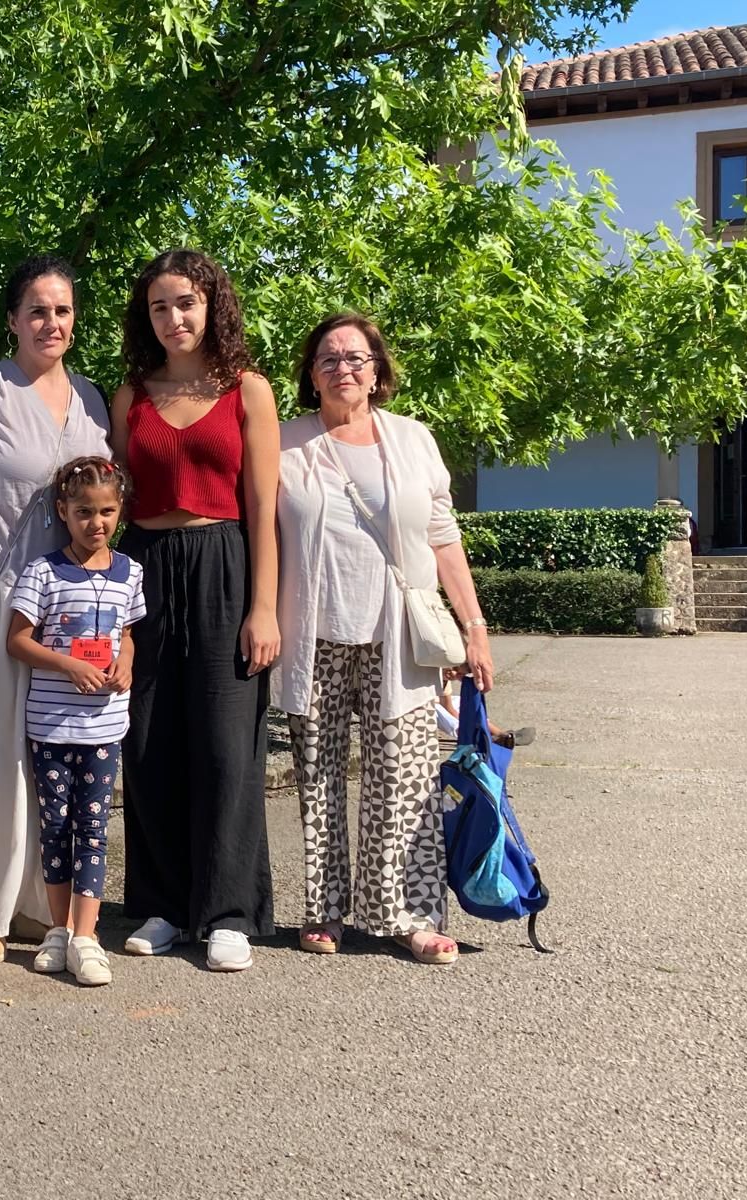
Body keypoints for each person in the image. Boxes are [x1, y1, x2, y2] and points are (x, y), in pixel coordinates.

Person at [275, 311, 493, 966]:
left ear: (377, 371)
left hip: (400, 634)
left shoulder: (414, 440)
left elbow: (443, 538)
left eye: (357, 357)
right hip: (311, 628)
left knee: (405, 775)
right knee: (318, 775)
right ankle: (324, 909)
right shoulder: (284, 443)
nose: (344, 367)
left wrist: (474, 627)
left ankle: (407, 913)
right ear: (311, 376)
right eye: (329, 358)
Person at [109, 249, 281, 973]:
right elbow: (113, 510)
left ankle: (227, 910)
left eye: (185, 302)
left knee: (223, 746)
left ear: (212, 305)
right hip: (146, 566)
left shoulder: (249, 391)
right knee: (146, 741)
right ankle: (163, 904)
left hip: (224, 565)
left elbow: (264, 510)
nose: (173, 317)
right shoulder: (130, 396)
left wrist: (263, 607)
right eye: (159, 306)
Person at [0, 256, 113, 965]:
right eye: (39, 310)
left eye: (64, 311)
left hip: (70, 602)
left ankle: (32, 906)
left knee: (54, 750)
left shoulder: (93, 399)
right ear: (14, 319)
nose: (53, 323)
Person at [5, 457, 146, 986]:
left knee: (92, 827)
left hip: (104, 728)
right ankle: (58, 929)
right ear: (63, 511)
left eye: (107, 511)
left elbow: (128, 633)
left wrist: (126, 658)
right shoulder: (43, 571)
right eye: (84, 512)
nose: (97, 522)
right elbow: (17, 639)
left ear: (120, 512)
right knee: (56, 826)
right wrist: (68, 664)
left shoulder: (130, 572)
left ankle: (87, 936)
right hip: (51, 725)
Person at [435, 670, 533, 748]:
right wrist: (465, 721)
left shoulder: (444, 679)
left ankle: (499, 734)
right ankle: (475, 736)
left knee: (462, 702)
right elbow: (449, 710)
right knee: (439, 712)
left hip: (436, 700)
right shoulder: (436, 671)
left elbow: (449, 706)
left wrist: (468, 715)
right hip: (424, 706)